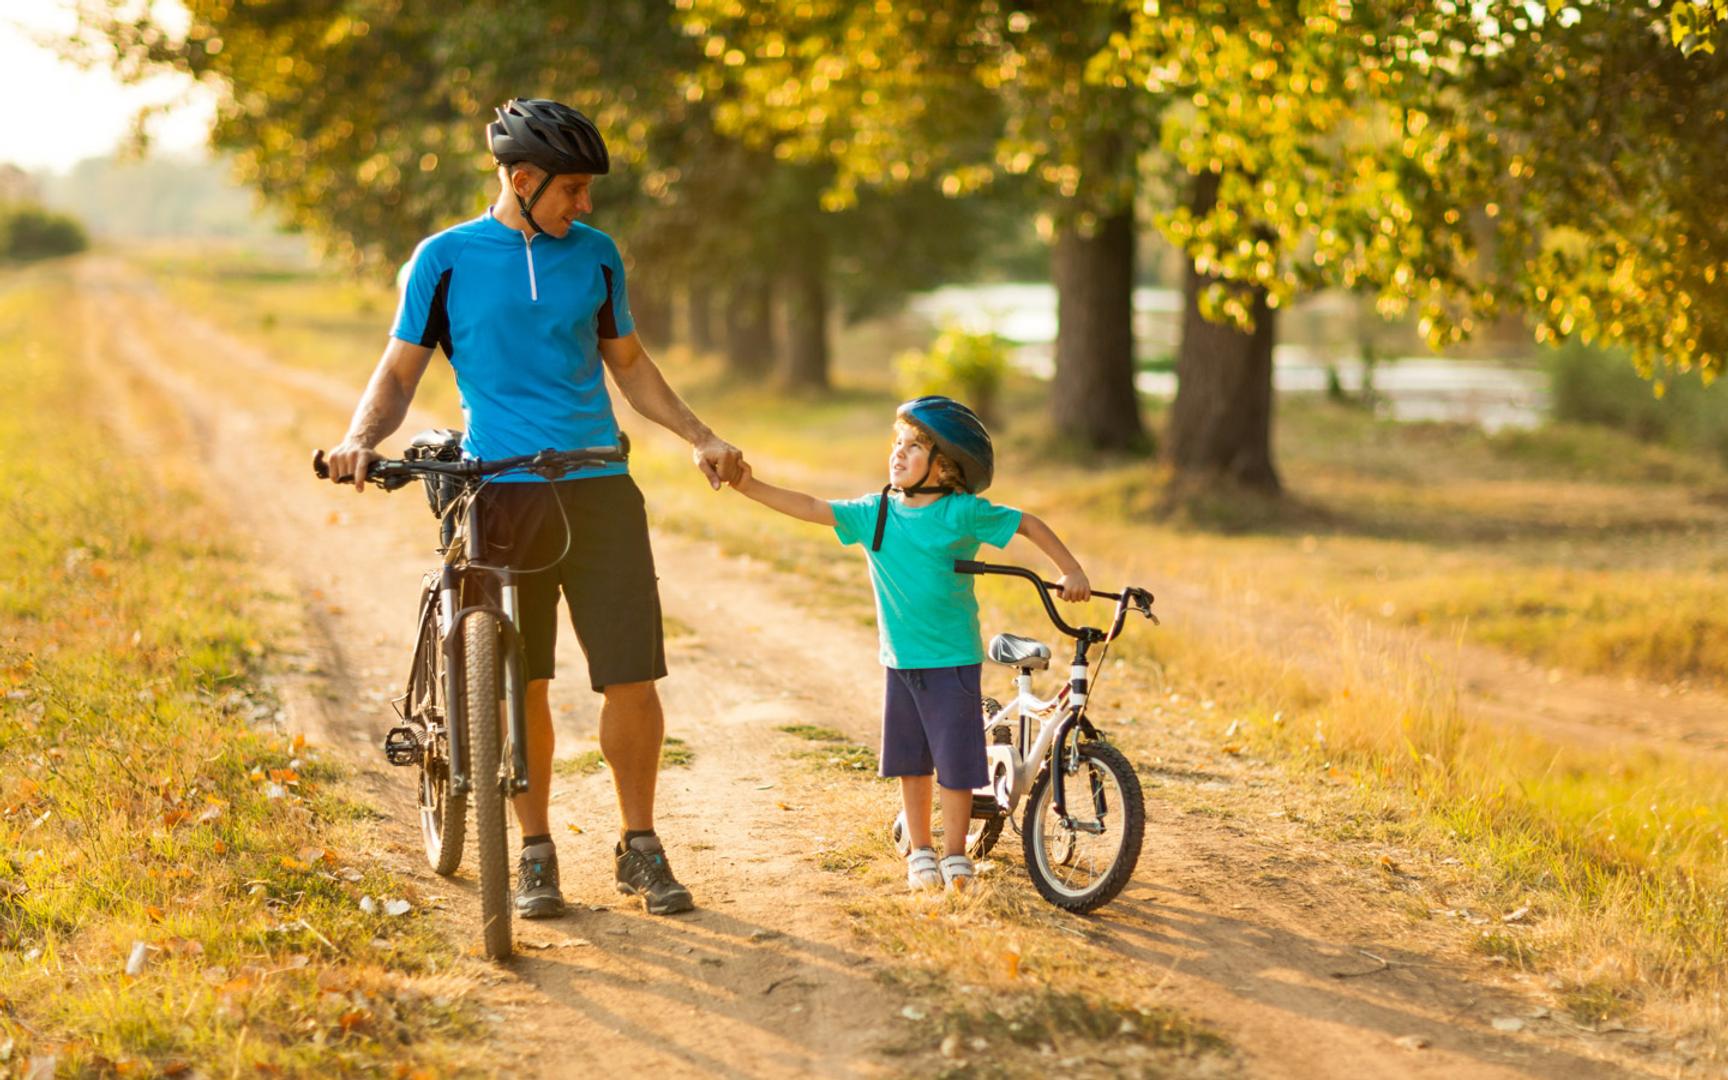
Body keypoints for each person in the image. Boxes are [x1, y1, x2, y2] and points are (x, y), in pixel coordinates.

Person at [323, 98, 742, 917]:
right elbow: (400, 372)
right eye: (573, 189)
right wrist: (359, 439)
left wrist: (700, 434)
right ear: (523, 179)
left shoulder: (597, 256)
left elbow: (629, 361)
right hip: (500, 492)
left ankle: (640, 846)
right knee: (523, 680)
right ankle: (535, 851)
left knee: (631, 674)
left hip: (597, 485)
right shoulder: (443, 261)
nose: (584, 205)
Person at [730, 396, 1089, 891]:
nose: (898, 453)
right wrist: (748, 485)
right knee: (912, 763)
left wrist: (1068, 569)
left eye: (915, 446)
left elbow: (1026, 522)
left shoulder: (961, 514)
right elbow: (812, 507)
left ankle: (956, 852)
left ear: (945, 469)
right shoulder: (876, 514)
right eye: (897, 442)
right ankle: (920, 850)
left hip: (953, 660)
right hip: (901, 663)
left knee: (957, 766)